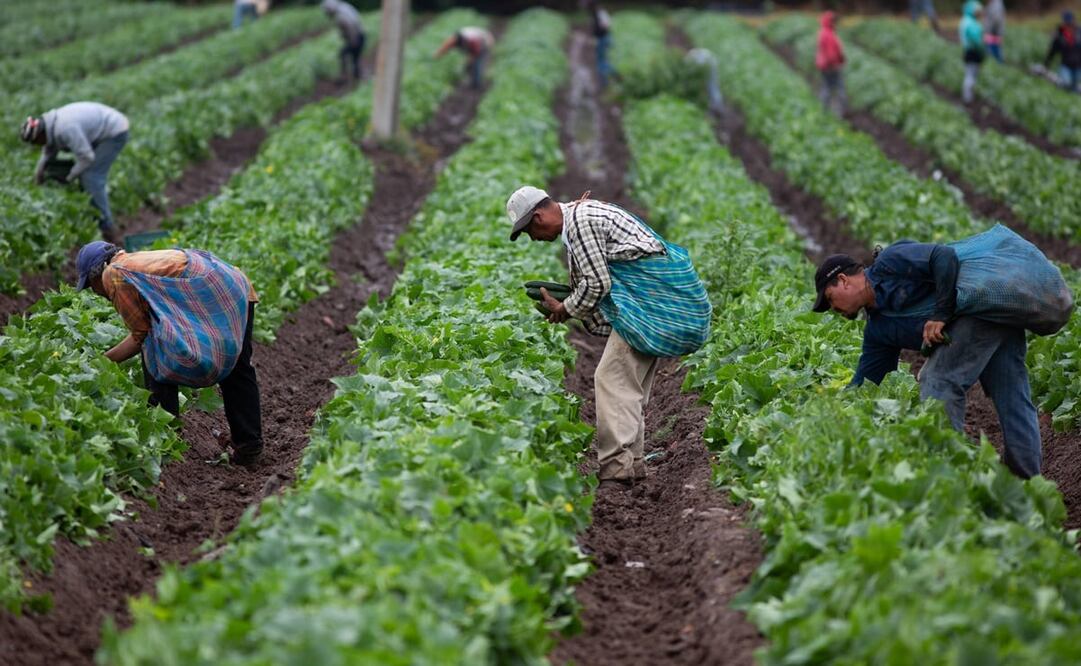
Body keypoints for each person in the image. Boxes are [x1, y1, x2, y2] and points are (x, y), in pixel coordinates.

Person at [506, 186, 711, 488]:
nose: (533, 238)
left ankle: (616, 468)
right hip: (646, 306)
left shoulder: (581, 224)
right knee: (628, 385)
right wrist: (571, 304)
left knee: (611, 380)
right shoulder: (581, 216)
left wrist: (566, 307)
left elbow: (597, 284)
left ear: (537, 217)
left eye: (528, 231)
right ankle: (633, 464)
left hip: (648, 308)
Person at [811, 244, 1042, 479]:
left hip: (984, 306)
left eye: (830, 299)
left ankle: (951, 479)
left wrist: (941, 314)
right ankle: (1028, 482)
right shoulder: (878, 329)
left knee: (937, 381)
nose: (833, 308)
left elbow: (943, 256)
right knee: (1011, 393)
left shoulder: (890, 262)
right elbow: (867, 384)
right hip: (991, 323)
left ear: (843, 280)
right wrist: (833, 412)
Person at [75, 241, 264, 466]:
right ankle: (249, 447)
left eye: (90, 285)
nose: (96, 293)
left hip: (213, 291)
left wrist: (102, 362)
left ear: (98, 271)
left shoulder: (113, 275)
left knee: (155, 354)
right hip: (235, 284)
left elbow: (140, 336)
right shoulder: (135, 261)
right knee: (238, 367)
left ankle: (165, 437)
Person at [20, 102, 129, 244]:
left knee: (91, 176)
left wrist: (69, 177)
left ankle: (108, 228)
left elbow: (87, 157)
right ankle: (94, 214)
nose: (38, 145)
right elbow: (48, 153)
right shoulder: (49, 126)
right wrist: (38, 176)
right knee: (75, 172)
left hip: (115, 131)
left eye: (37, 142)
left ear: (40, 135)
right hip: (99, 129)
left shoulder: (66, 129)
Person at [321, 0, 365, 83]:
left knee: (344, 54)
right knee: (353, 58)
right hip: (359, 35)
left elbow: (350, 27)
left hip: (356, 36)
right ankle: (356, 78)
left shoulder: (340, 15)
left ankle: (346, 76)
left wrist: (353, 40)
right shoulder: (342, 8)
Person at [815, 11, 846, 116]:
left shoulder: (823, 32)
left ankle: (822, 110)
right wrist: (835, 64)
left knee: (826, 87)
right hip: (831, 66)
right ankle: (838, 113)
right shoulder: (829, 35)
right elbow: (831, 53)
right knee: (838, 88)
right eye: (834, 21)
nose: (835, 23)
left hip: (824, 65)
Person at [1045, 11, 1081, 93]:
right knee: (1066, 84)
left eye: (1070, 22)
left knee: (1074, 88)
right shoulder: (1060, 35)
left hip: (1078, 66)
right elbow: (1052, 51)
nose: (1068, 24)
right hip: (1065, 65)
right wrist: (1046, 64)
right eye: (1066, 22)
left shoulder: (1079, 33)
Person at [960, 1, 986, 104]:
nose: (979, 13)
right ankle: (968, 97)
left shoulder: (967, 20)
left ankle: (969, 96)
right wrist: (982, 46)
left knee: (971, 74)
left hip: (969, 52)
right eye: (977, 11)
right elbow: (976, 40)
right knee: (971, 75)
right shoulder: (970, 23)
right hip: (973, 52)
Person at [587, 1, 618, 89]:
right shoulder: (597, 14)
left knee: (601, 61)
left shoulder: (600, 14)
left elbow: (606, 25)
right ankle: (611, 75)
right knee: (602, 60)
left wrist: (599, 29)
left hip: (603, 39)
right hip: (602, 38)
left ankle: (607, 80)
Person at [685, 47, 724, 116]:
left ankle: (717, 108)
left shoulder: (689, 60)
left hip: (709, 65)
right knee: (713, 86)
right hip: (710, 63)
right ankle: (717, 107)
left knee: (711, 86)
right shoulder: (695, 56)